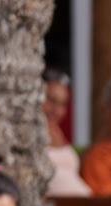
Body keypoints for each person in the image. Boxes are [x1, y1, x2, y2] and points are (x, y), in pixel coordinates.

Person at [42, 68, 89, 198]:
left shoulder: (57, 132)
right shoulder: (25, 134)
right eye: (51, 100)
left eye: (63, 104)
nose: (57, 111)